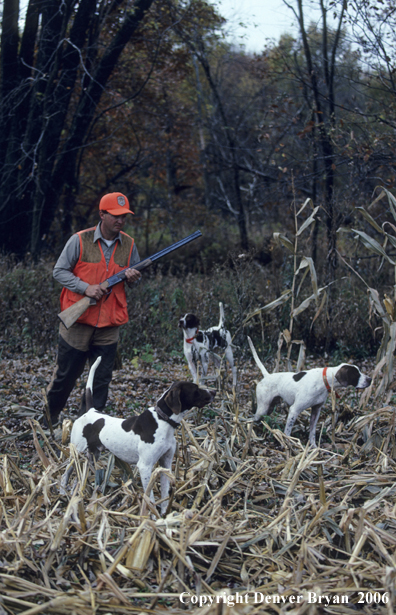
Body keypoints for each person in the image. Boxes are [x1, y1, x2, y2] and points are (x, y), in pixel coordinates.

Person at [46, 192, 141, 427]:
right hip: (78, 321)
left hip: (109, 324)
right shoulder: (79, 240)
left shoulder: (129, 244)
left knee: (100, 381)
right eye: (115, 216)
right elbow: (59, 271)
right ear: (102, 214)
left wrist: (132, 278)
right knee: (65, 377)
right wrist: (86, 288)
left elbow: (136, 278)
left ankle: (87, 428)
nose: (120, 221)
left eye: (124, 216)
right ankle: (48, 419)